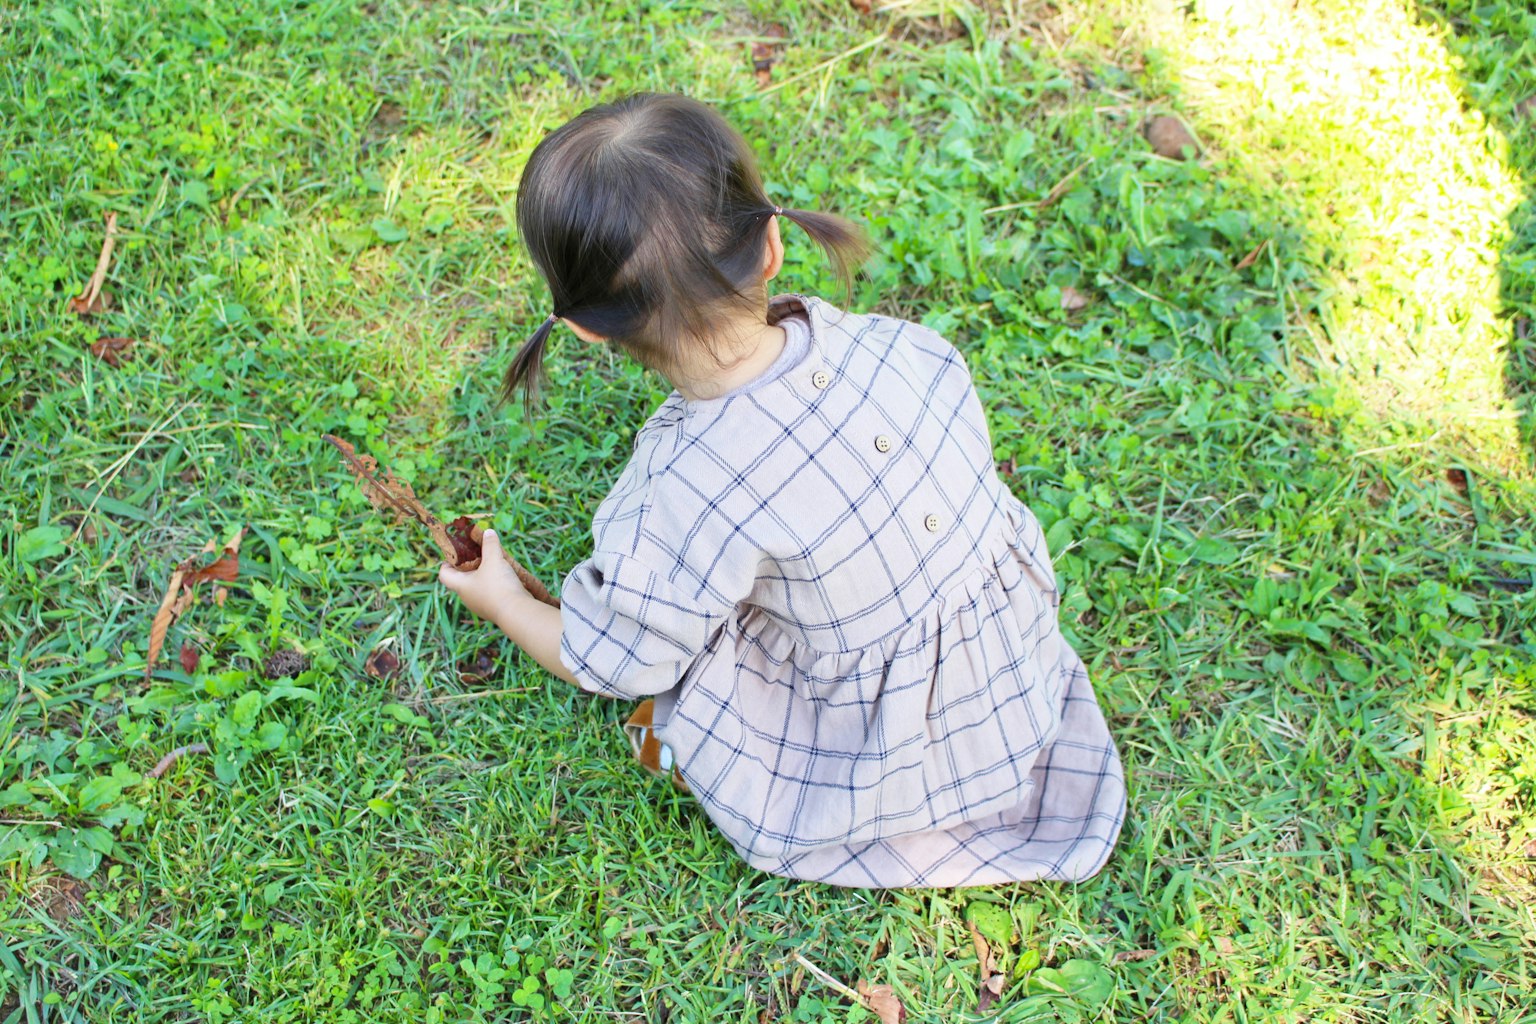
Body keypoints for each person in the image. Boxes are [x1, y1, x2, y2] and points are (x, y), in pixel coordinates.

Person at [440, 93, 1125, 887]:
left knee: (683, 699)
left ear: (587, 328)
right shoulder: (907, 348)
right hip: (1006, 687)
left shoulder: (683, 491)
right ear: (770, 245)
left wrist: (506, 603)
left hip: (876, 750)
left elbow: (623, 658)